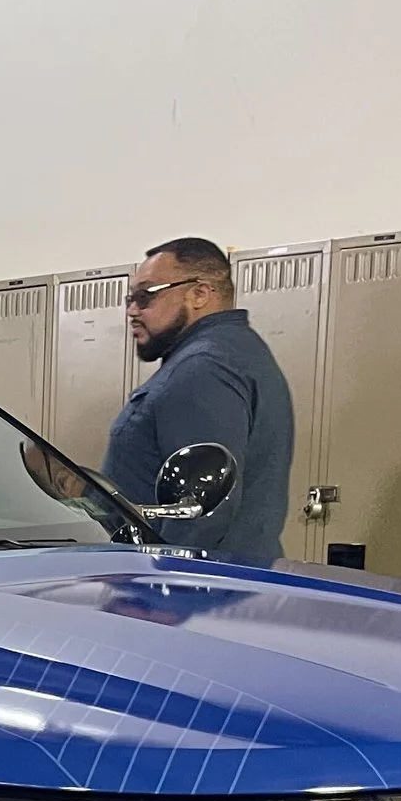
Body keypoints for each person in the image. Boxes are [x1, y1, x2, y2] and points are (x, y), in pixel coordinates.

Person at [102, 236, 293, 566]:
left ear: (200, 294)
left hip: (184, 594)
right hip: (222, 588)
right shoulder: (237, 352)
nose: (132, 310)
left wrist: (162, 592)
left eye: (145, 296)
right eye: (130, 298)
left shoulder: (202, 369)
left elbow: (199, 510)